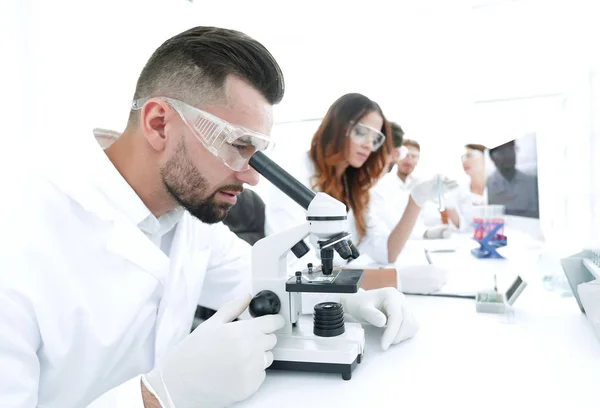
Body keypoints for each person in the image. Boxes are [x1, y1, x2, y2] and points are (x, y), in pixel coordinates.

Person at [0, 27, 419, 408]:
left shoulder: (185, 217)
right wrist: (156, 397)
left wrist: (351, 301)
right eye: (237, 145)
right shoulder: (21, 235)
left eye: (258, 152)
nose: (252, 175)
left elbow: (262, 280)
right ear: (160, 123)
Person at [264, 94, 456, 269]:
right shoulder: (293, 174)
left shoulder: (351, 185)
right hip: (309, 300)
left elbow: (386, 252)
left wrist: (416, 201)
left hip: (342, 294)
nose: (368, 144)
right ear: (337, 126)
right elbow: (297, 266)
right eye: (361, 132)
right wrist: (391, 280)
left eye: (375, 138)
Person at [371, 137, 453, 241]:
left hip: (419, 243)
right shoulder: (382, 185)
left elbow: (431, 217)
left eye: (414, 156)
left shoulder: (422, 185)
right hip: (390, 242)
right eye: (405, 155)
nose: (409, 160)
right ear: (396, 156)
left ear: (418, 160)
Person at [488, 140, 539, 218]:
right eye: (502, 152)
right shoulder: (486, 186)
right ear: (492, 157)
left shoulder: (532, 182)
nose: (509, 155)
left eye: (511, 149)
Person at [445, 144, 488, 230]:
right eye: (463, 157)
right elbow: (459, 225)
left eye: (469, 156)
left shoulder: (499, 190)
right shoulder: (457, 193)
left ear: (485, 158)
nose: (464, 161)